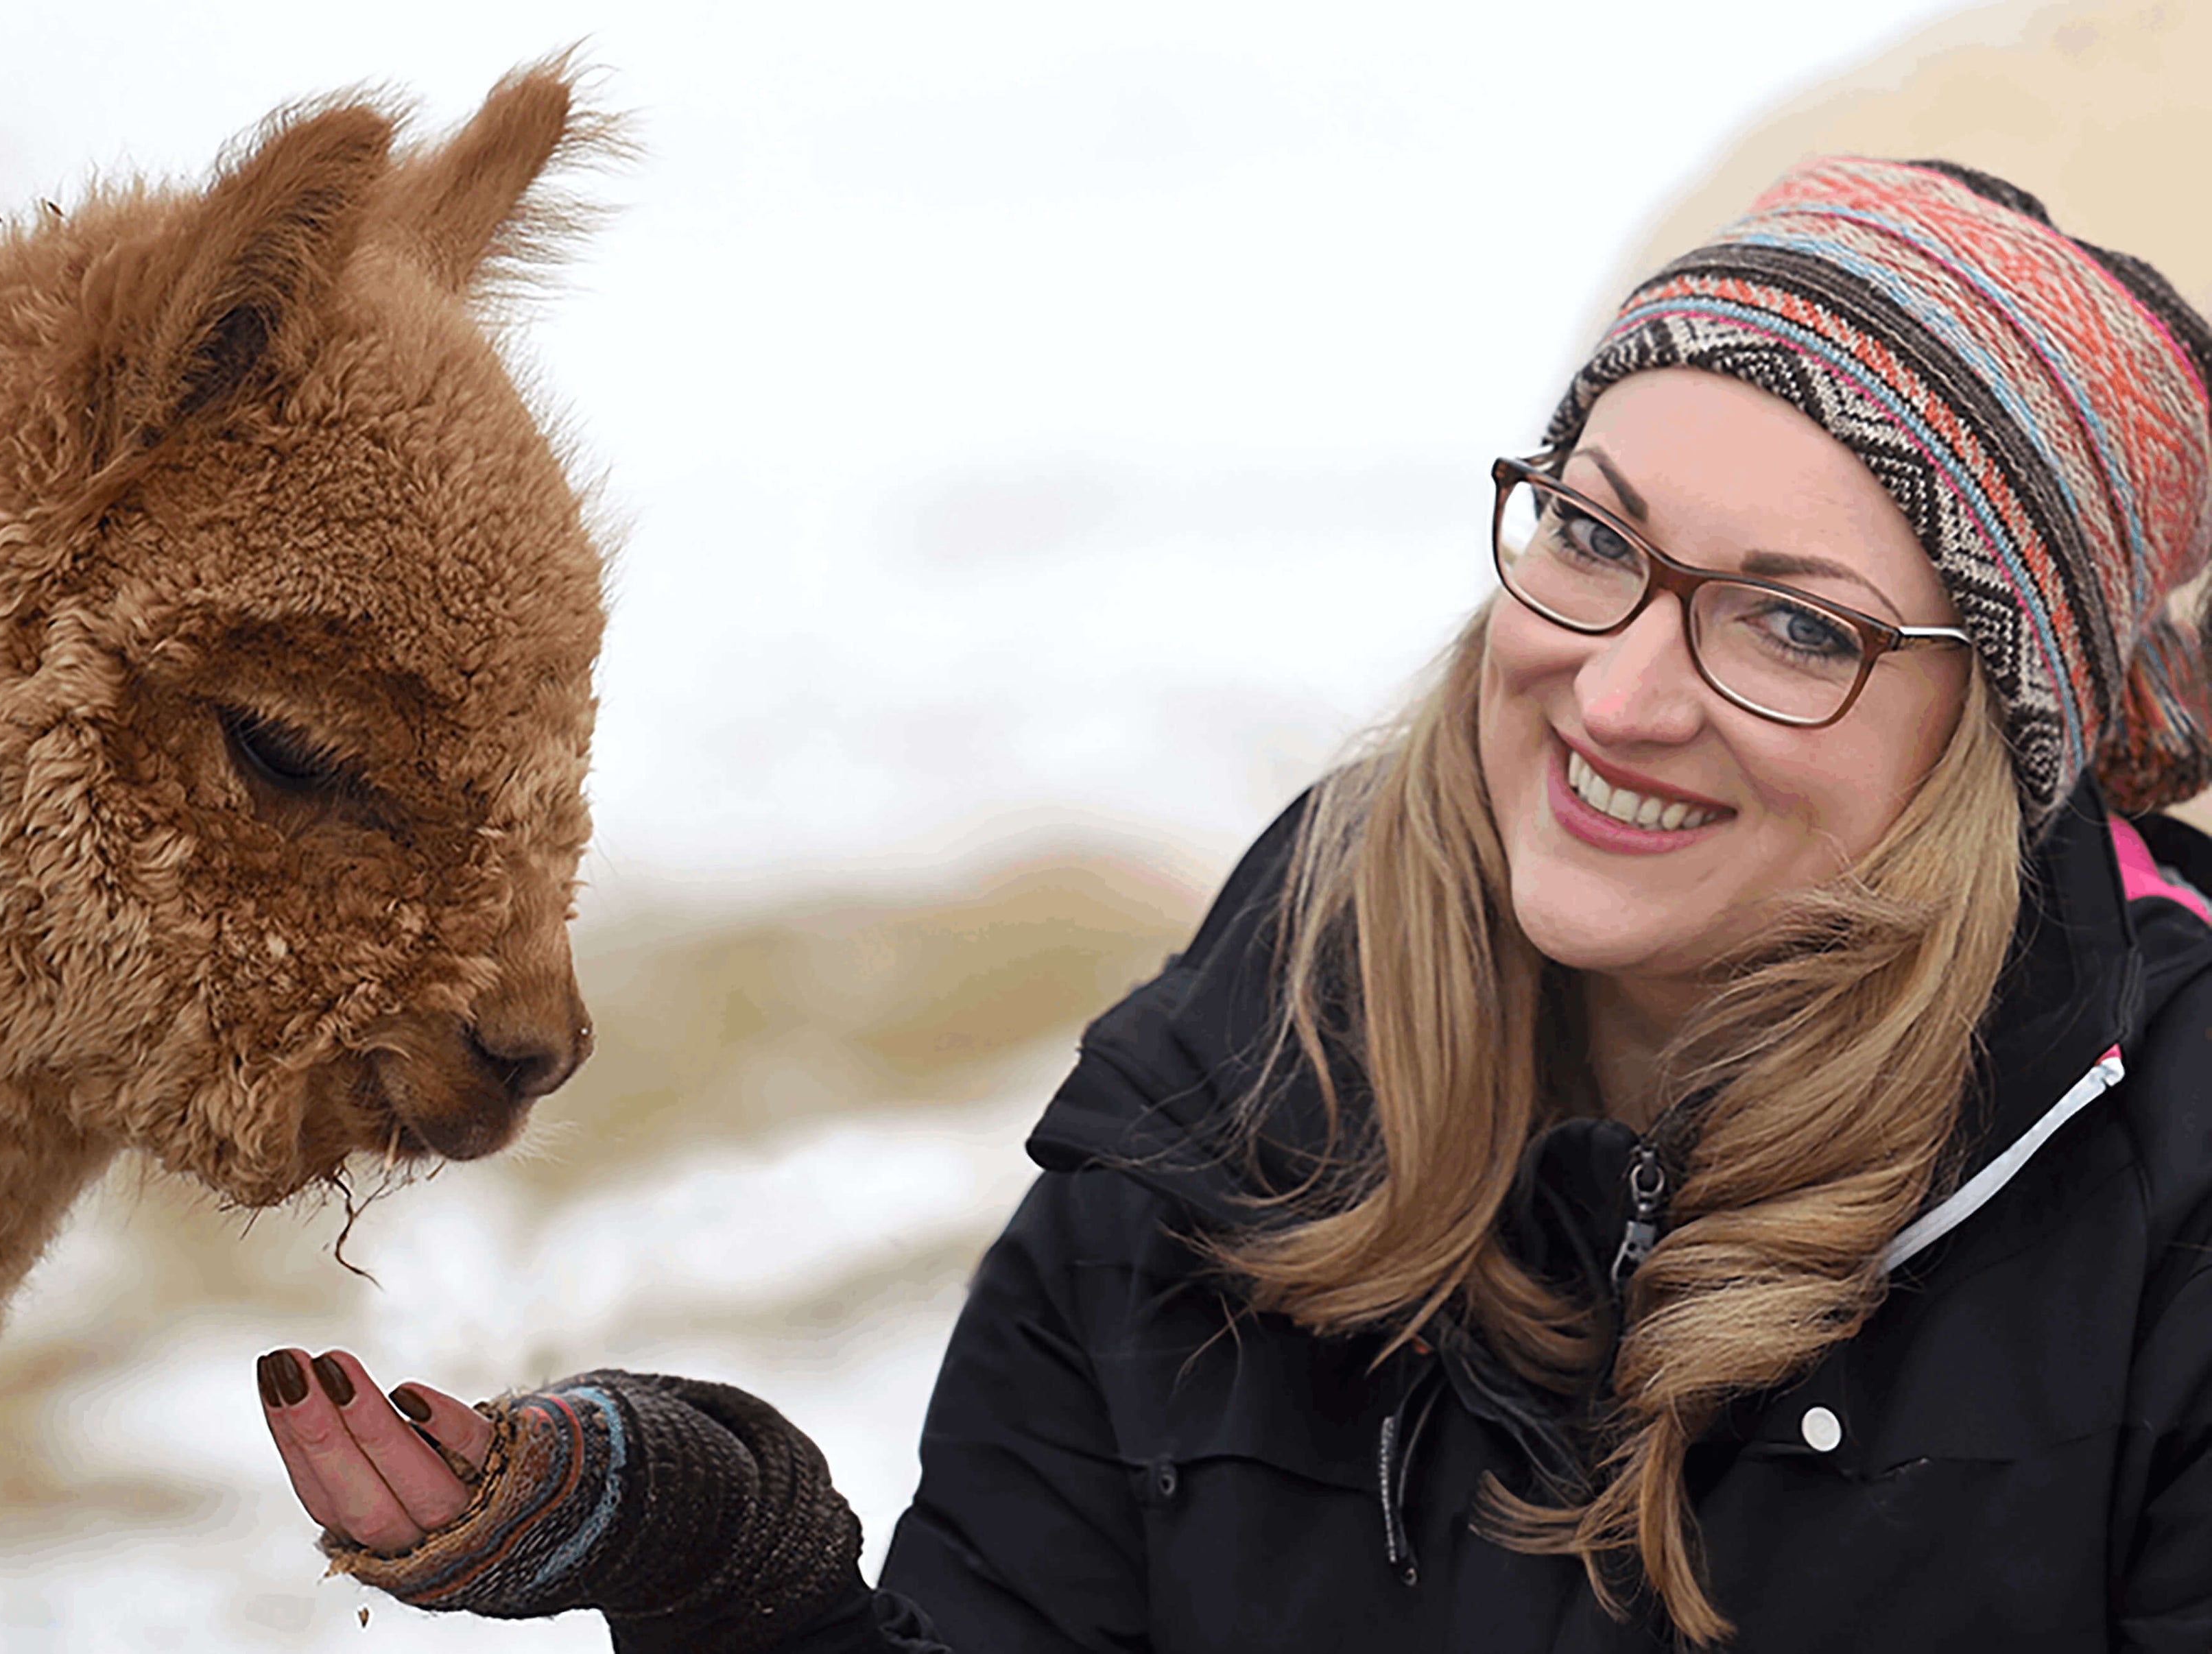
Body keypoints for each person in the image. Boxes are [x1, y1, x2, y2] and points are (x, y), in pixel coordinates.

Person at [251, 156, 2212, 1651]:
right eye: (1597, 536)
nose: (1618, 689)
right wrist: (716, 1557)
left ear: (1999, 732)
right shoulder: (1230, 1105)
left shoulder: (2171, 1199)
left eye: (1792, 622)